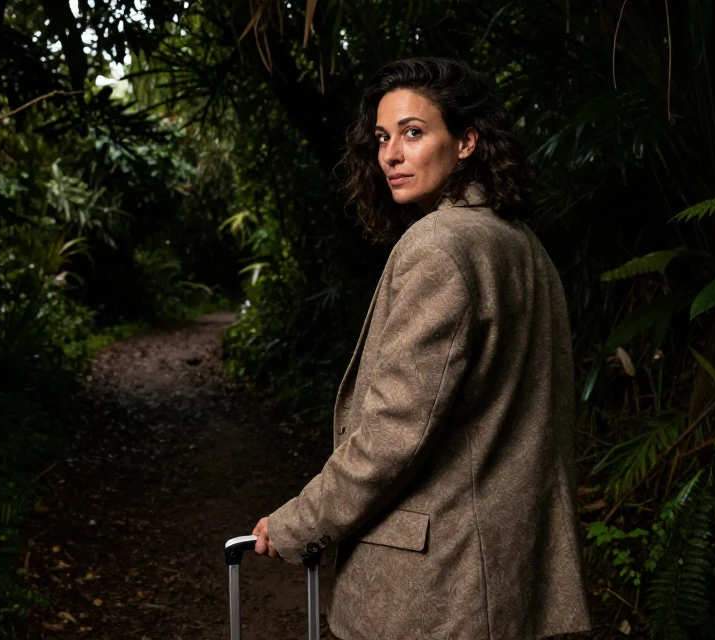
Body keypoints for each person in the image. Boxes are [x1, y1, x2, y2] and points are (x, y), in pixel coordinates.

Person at [251, 57, 591, 639]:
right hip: (511, 571)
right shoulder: (521, 244)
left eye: (412, 132)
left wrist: (299, 524)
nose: (390, 155)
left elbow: (392, 434)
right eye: (383, 137)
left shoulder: (438, 246)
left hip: (437, 587)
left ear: (466, 142)